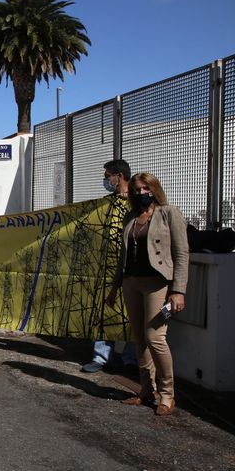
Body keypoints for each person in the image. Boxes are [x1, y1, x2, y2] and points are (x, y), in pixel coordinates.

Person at [107, 172, 188, 416]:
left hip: (158, 284)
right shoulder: (131, 217)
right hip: (132, 282)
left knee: (155, 337)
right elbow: (124, 257)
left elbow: (182, 254)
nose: (141, 193)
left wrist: (178, 291)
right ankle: (146, 390)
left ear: (154, 189)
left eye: (145, 189)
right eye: (137, 190)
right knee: (139, 339)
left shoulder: (168, 213)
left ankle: (167, 395)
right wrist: (114, 287)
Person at [82, 159, 138, 374]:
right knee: (105, 312)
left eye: (108, 176)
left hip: (132, 266)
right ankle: (101, 356)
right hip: (108, 265)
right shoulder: (108, 203)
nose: (106, 180)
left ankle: (130, 359)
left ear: (119, 176)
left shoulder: (136, 202)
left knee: (132, 314)